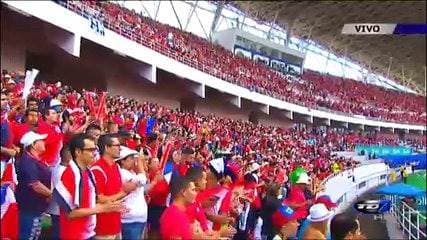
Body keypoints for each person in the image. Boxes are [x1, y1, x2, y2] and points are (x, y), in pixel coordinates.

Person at [53, 134, 124, 240]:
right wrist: (102, 208)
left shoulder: (87, 172)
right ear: (78, 152)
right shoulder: (70, 174)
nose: (94, 154)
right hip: (74, 235)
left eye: (95, 149)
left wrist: (109, 206)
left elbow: (91, 202)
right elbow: (70, 213)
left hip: (88, 233)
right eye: (90, 150)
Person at [90, 134, 138, 239]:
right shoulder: (97, 169)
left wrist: (127, 190)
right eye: (116, 145)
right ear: (107, 148)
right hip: (102, 228)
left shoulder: (116, 166)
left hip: (115, 224)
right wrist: (123, 193)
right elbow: (98, 198)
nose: (120, 148)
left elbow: (117, 191)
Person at [16, 131, 51, 240]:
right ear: (33, 145)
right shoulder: (28, 162)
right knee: (28, 235)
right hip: (30, 208)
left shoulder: (34, 160)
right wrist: (52, 195)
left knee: (34, 235)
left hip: (37, 207)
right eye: (41, 140)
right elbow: (35, 185)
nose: (44, 142)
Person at [116, 146, 148, 240]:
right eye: (131, 158)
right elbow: (142, 180)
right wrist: (140, 164)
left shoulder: (131, 173)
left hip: (138, 218)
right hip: (130, 220)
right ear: (122, 161)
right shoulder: (121, 172)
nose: (134, 161)